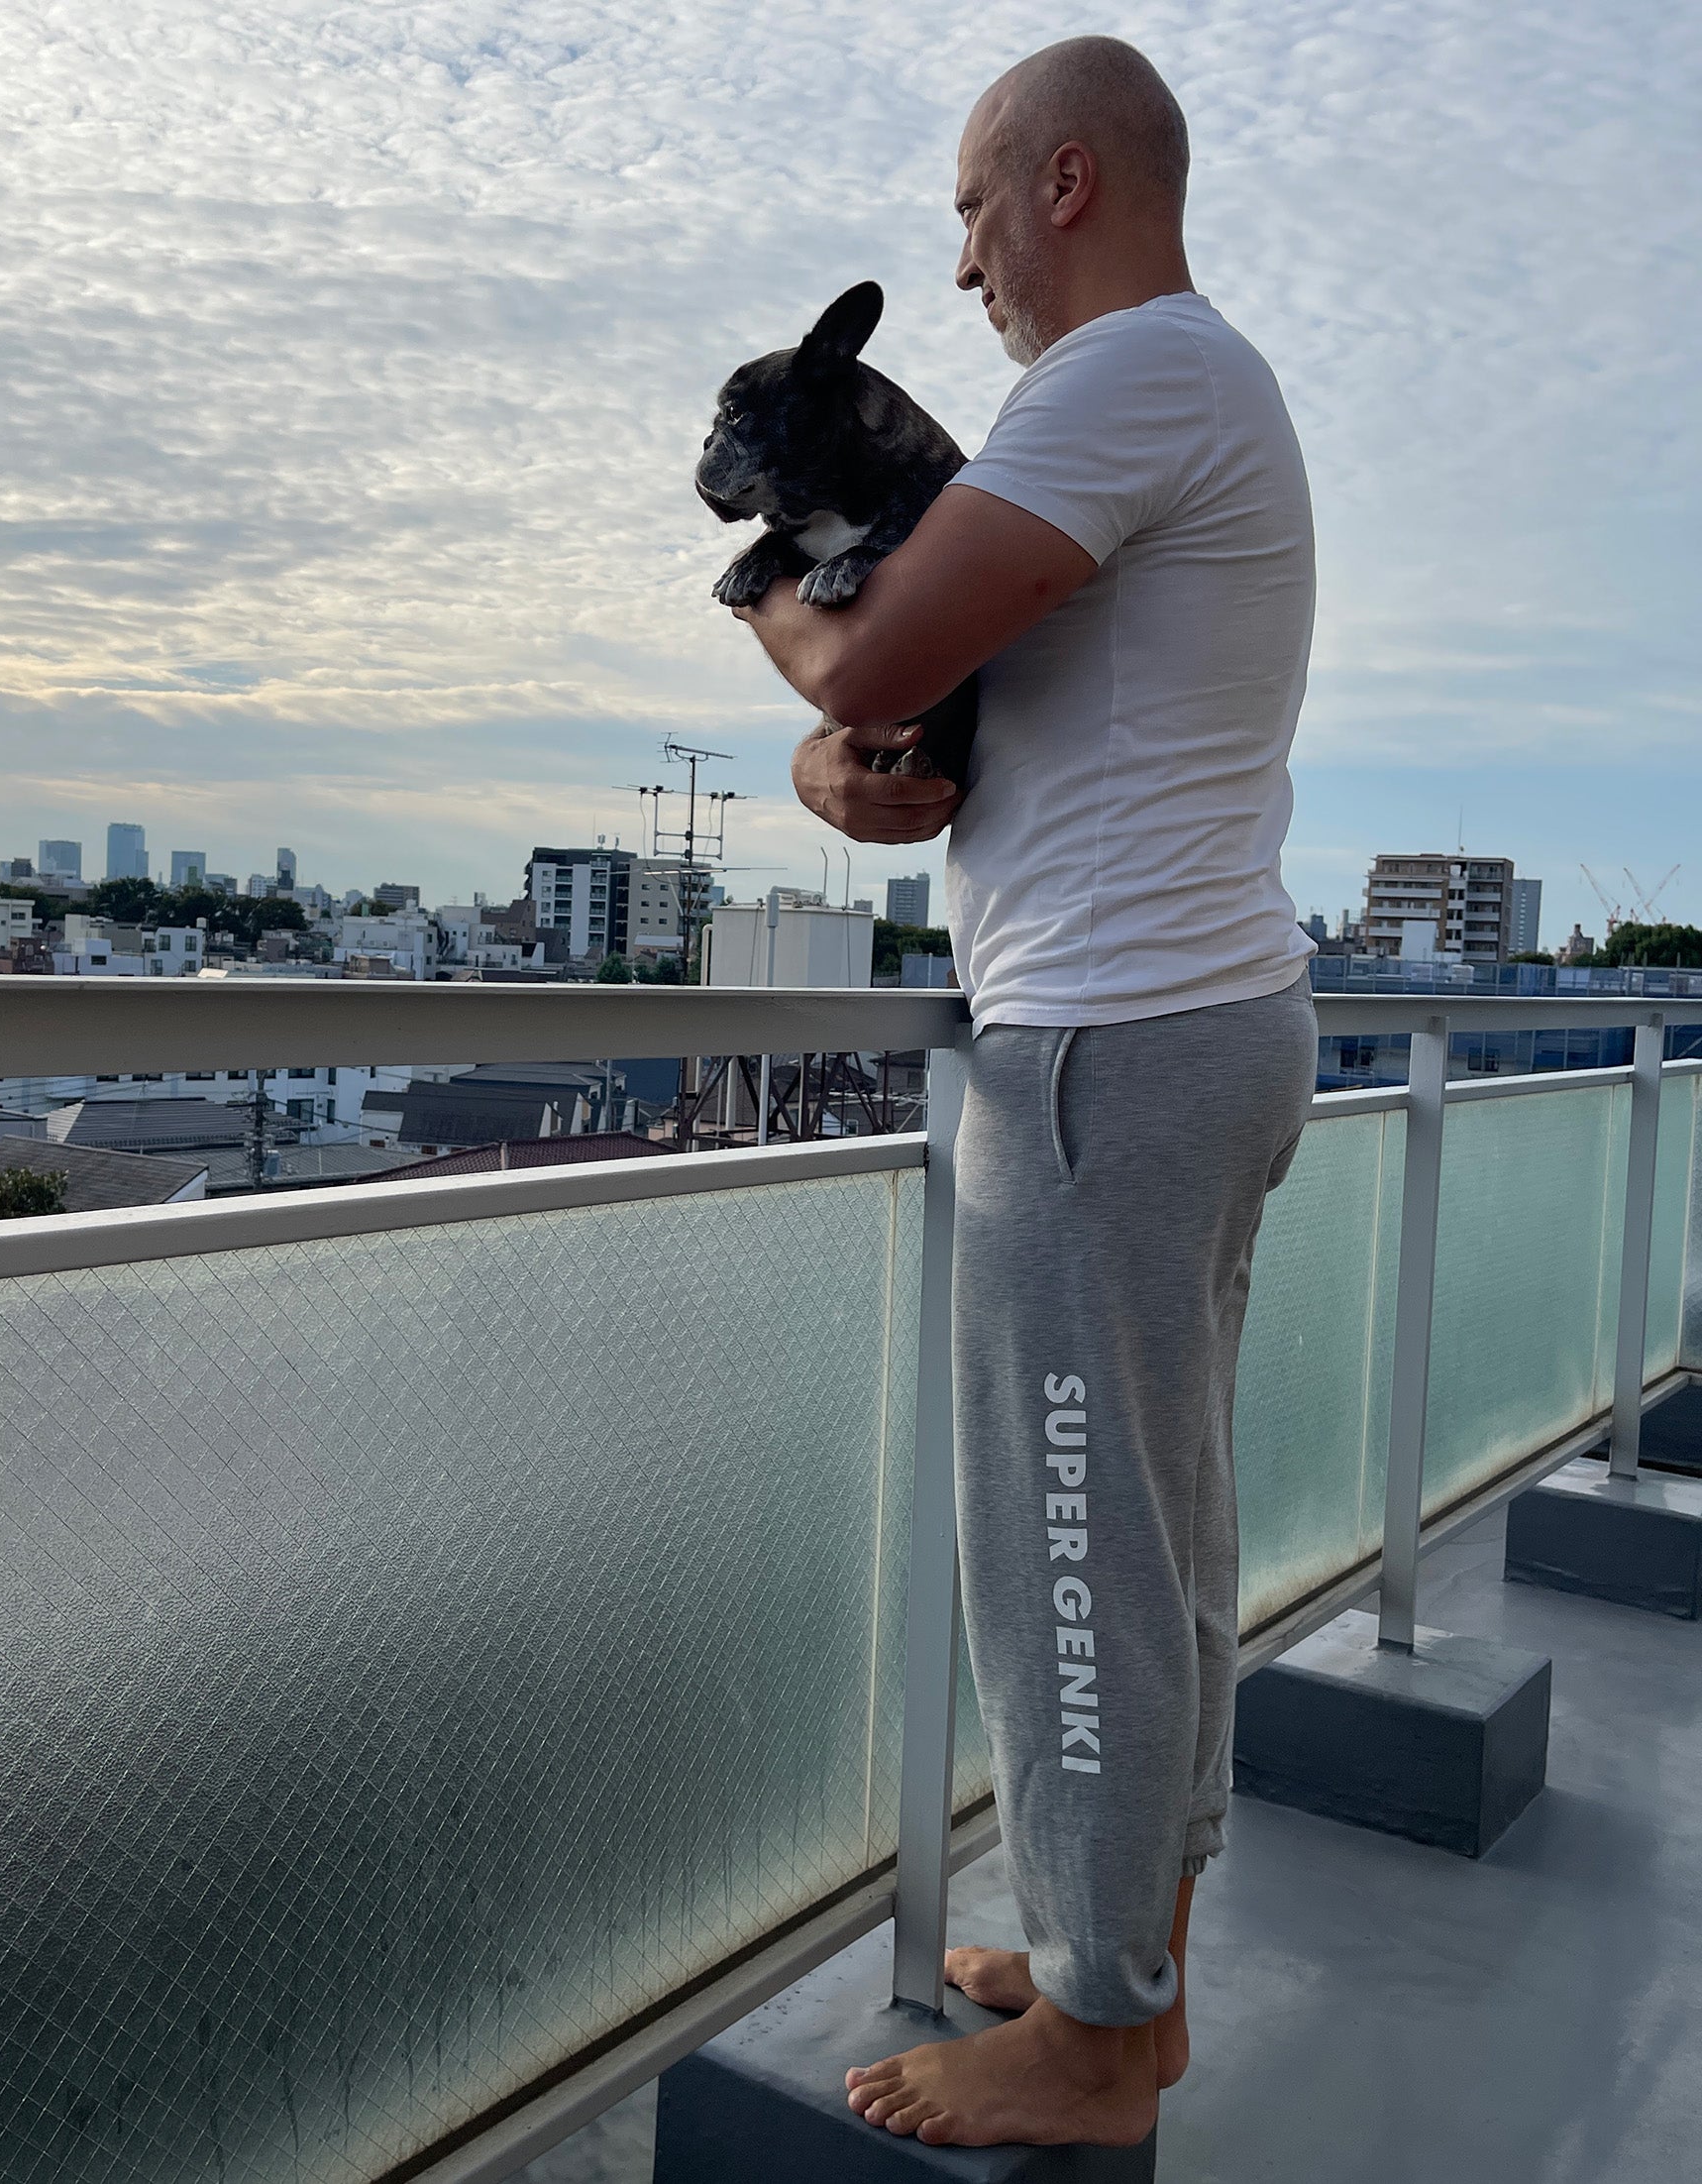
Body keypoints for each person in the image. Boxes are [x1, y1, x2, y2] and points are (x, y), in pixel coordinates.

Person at [731, 35, 1321, 2151]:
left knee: (1059, 1536)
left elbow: (877, 655)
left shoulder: (1130, 375)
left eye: (974, 202)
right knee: (1145, 1534)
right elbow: (920, 735)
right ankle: (1117, 1968)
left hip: (1112, 1044)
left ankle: (1087, 2040)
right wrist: (831, 744)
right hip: (1183, 1021)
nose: (957, 253)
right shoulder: (1170, 395)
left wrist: (776, 598)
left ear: (1064, 180)